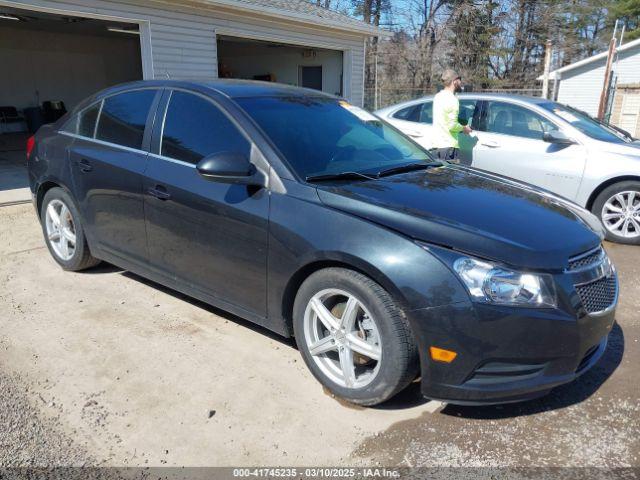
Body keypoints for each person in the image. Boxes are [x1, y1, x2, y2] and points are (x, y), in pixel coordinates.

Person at [432, 69, 472, 162]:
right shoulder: (453, 100)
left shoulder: (438, 96)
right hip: (448, 149)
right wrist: (464, 128)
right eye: (459, 79)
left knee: (437, 176)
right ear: (454, 81)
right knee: (449, 176)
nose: (461, 82)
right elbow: (452, 125)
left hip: (436, 147)